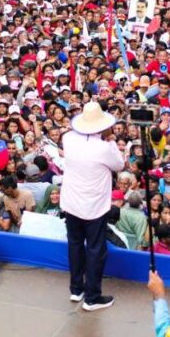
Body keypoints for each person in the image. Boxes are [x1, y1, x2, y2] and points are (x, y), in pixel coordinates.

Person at [60, 102, 124, 311]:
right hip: (94, 206)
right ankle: (92, 297)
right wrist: (112, 141)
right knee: (96, 249)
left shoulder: (67, 139)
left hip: (71, 203)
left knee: (75, 245)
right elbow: (120, 165)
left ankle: (76, 289)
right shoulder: (104, 148)